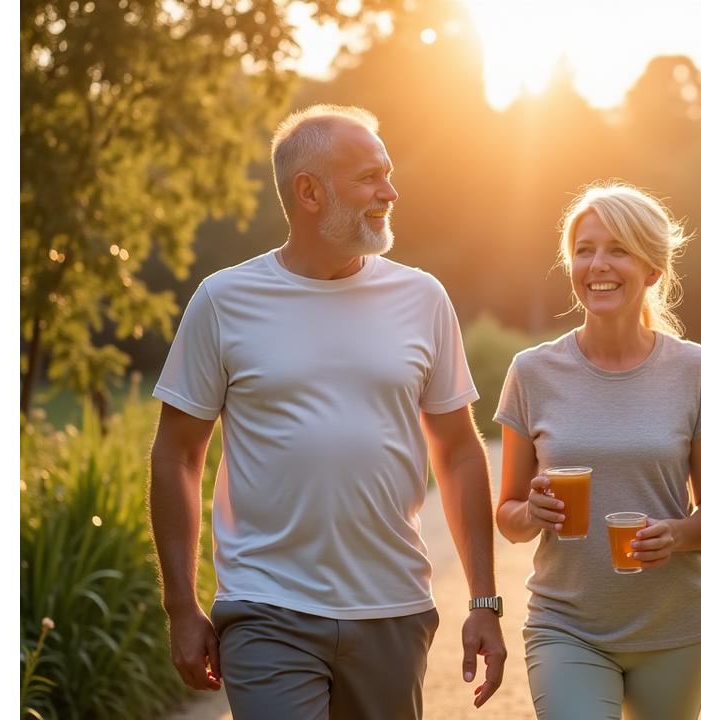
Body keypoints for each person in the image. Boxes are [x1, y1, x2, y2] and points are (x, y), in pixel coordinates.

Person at [148, 104, 506, 720]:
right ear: (308, 191)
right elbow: (177, 454)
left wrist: (484, 599)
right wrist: (181, 604)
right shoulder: (224, 300)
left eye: (388, 174)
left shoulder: (422, 297)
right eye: (369, 177)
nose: (390, 192)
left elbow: (459, 450)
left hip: (391, 607)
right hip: (266, 607)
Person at [494, 183, 701, 720]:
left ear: (652, 269)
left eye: (618, 249)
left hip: (674, 628)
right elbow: (507, 517)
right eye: (584, 249)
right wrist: (531, 512)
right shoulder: (532, 372)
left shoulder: (695, 369)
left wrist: (677, 534)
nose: (598, 264)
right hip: (566, 625)